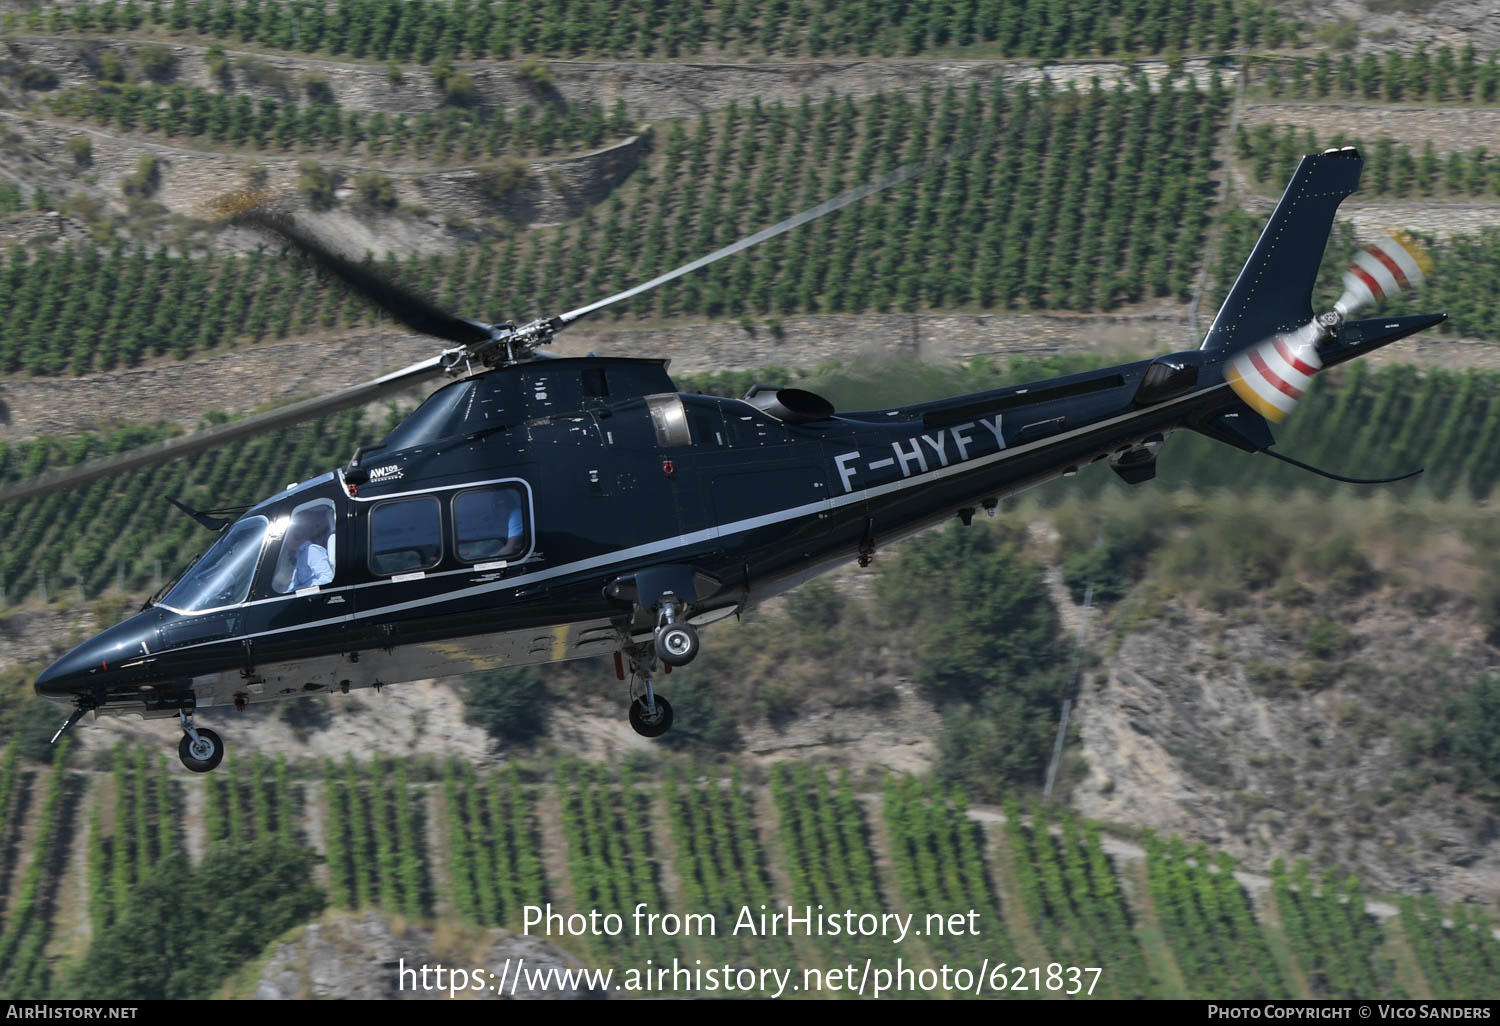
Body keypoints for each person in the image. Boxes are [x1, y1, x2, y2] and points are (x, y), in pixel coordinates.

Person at [284, 508, 334, 591]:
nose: (285, 542)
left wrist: (302, 591)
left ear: (297, 534)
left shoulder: (312, 551)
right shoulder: (299, 555)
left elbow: (327, 579)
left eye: (286, 537)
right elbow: (293, 586)